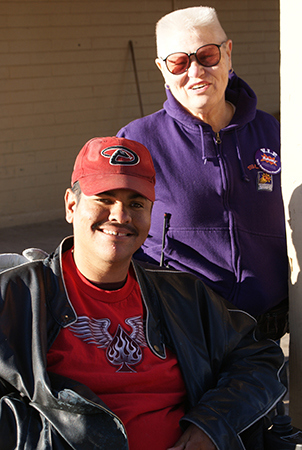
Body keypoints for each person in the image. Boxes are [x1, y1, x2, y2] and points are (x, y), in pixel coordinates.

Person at [0, 136, 286, 450]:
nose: (120, 216)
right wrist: (40, 438)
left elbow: (257, 356)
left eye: (136, 203)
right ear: (71, 205)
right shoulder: (16, 297)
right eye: (104, 199)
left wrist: (211, 425)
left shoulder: (183, 295)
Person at [117, 6, 288, 339]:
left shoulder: (272, 132)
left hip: (267, 324)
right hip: (181, 326)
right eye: (179, 62)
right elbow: (119, 232)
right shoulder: (137, 141)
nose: (195, 72)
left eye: (207, 55)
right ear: (162, 69)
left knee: (268, 392)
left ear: (227, 53)